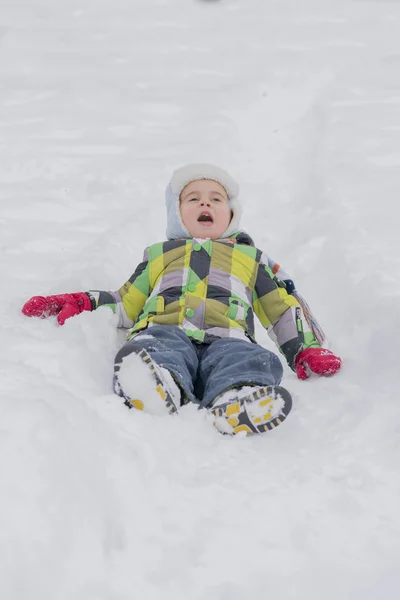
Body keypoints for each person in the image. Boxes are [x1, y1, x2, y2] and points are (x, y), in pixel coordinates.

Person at [22, 164, 341, 435]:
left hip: (228, 336)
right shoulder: (159, 255)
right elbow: (124, 302)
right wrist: (82, 301)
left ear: (231, 213)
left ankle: (240, 395)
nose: (206, 205)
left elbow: (281, 307)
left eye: (216, 199)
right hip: (165, 327)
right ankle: (157, 384)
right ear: (177, 213)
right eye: (193, 199)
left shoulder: (250, 259)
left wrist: (307, 349)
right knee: (156, 346)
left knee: (247, 357)